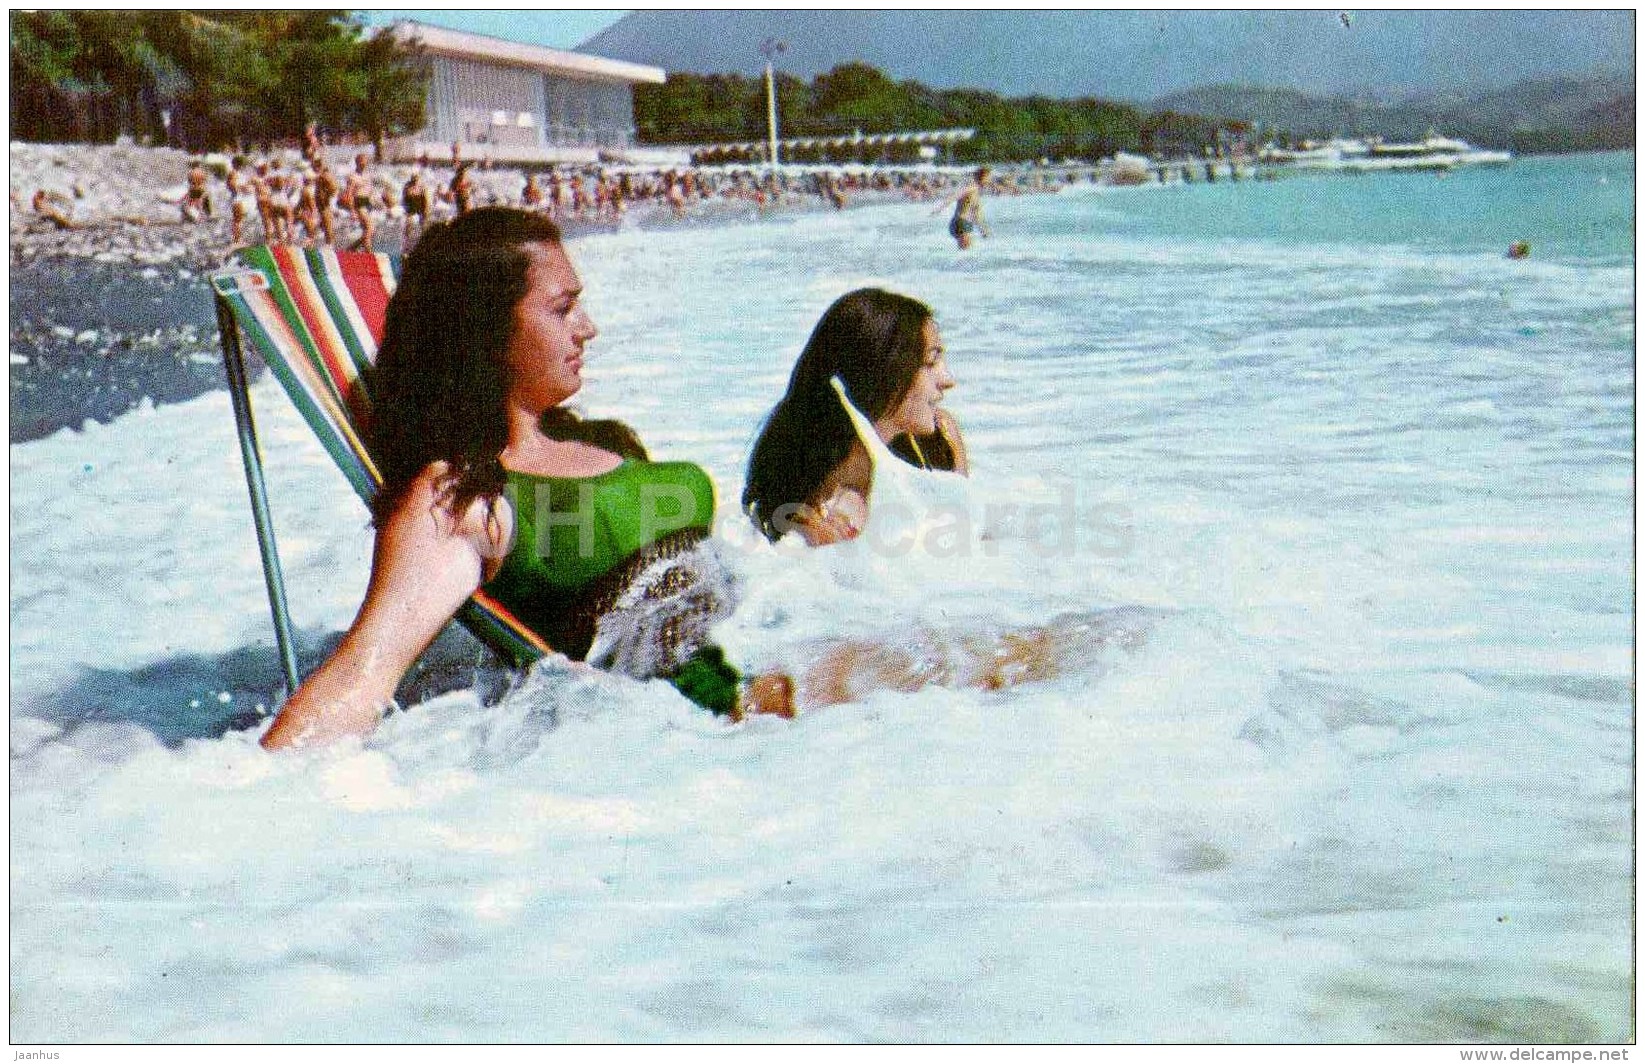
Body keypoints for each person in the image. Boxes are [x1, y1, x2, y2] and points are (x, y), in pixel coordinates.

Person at [260, 208, 796, 750]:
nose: (587, 328)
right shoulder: (459, 501)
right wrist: (244, 796)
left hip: (780, 646)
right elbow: (362, 675)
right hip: (721, 721)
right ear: (487, 332)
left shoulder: (598, 441)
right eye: (562, 309)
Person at [743, 288, 968, 547]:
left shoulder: (940, 440)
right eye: (930, 363)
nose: (948, 380)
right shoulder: (820, 515)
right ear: (884, 374)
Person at [940, 167, 991, 250]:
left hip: (962, 224)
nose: (989, 181)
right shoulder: (972, 188)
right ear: (983, 178)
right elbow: (956, 196)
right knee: (965, 254)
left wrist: (982, 230)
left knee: (965, 254)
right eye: (988, 178)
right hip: (961, 223)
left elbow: (975, 215)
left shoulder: (976, 193)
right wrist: (941, 208)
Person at [401, 168, 431, 248]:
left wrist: (425, 213)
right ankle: (407, 243)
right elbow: (404, 200)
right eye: (414, 177)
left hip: (421, 209)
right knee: (409, 223)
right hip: (411, 210)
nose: (415, 179)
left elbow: (426, 202)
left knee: (424, 224)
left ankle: (425, 242)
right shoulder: (407, 187)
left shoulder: (423, 187)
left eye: (417, 177)